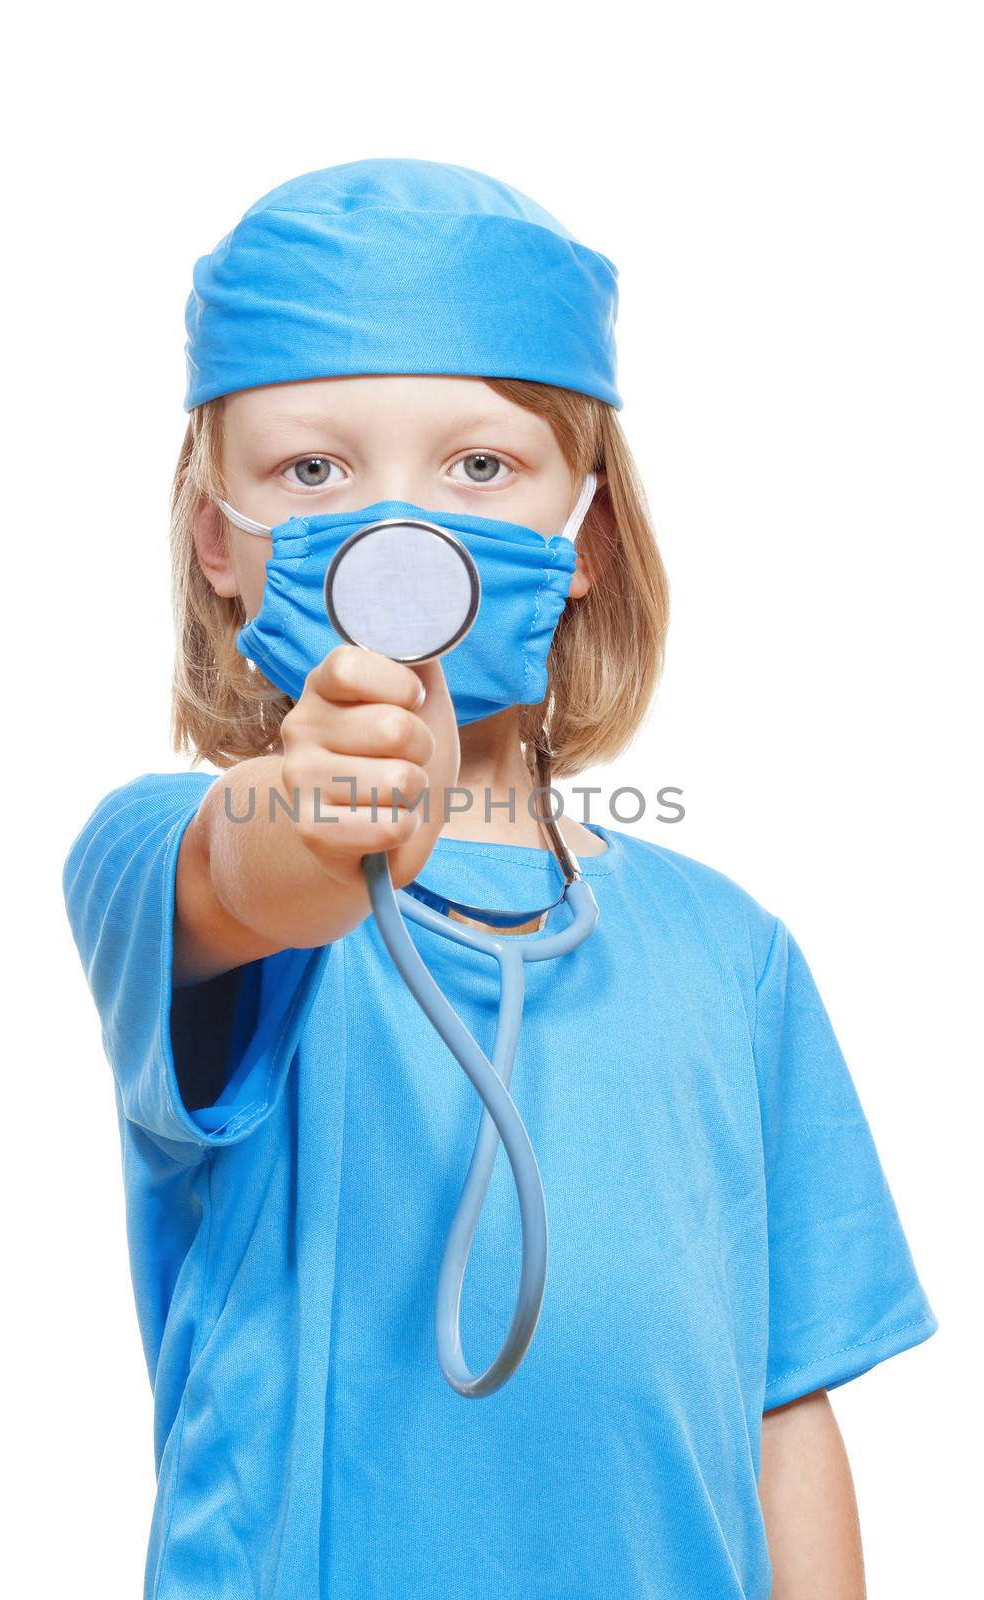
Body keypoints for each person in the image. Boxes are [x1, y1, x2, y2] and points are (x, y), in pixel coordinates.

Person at [61, 157, 938, 1600]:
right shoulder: (159, 855)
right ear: (218, 542)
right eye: (311, 470)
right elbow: (267, 867)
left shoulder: (733, 952)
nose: (402, 533)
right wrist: (337, 793)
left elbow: (785, 1411)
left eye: (480, 466)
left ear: (582, 535)